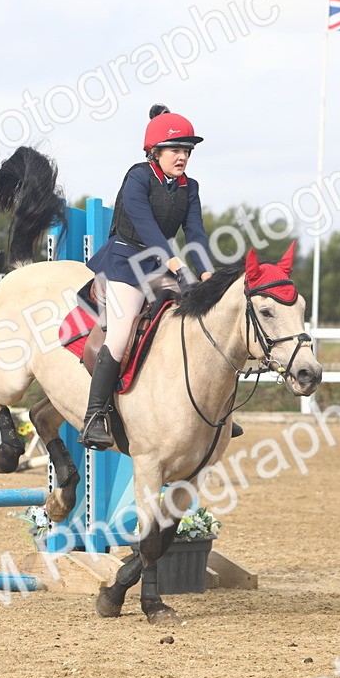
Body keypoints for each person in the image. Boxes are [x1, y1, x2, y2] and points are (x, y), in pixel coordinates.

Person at [79, 104, 215, 450]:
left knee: (198, 321)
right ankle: (94, 416)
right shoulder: (138, 177)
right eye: (175, 149)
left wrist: (206, 273)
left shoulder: (190, 187)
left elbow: (195, 233)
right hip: (126, 261)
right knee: (122, 333)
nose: (182, 156)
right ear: (155, 152)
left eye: (187, 150)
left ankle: (211, 407)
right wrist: (177, 266)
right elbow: (148, 228)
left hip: (159, 266)